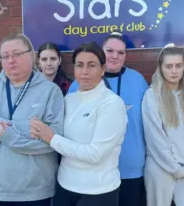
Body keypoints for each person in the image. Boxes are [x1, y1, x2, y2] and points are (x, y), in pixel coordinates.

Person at [0, 34, 64, 206]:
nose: (11, 60)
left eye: (17, 54)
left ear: (32, 56)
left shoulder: (50, 91)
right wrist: (26, 128)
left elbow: (53, 139)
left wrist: (8, 135)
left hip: (33, 191)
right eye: (5, 56)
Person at [31, 42, 127, 206]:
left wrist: (51, 138)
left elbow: (95, 154)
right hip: (65, 187)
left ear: (103, 69)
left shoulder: (112, 103)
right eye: (79, 65)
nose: (84, 72)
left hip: (98, 191)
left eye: (92, 65)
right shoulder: (69, 99)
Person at [68, 32, 148, 206]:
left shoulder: (138, 80)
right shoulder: (80, 83)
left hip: (131, 167)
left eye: (121, 53)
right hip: (94, 172)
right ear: (101, 53)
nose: (115, 56)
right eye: (110, 51)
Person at [142, 43, 184, 206]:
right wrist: (175, 168)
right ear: (160, 68)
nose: (174, 71)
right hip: (160, 168)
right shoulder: (152, 95)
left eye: (178, 66)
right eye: (169, 66)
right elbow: (155, 137)